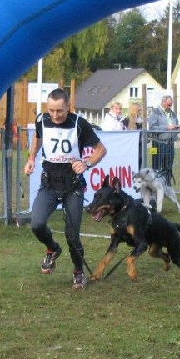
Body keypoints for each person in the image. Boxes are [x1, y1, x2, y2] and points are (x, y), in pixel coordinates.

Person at [24, 88, 107, 289]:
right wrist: (32, 158)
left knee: (72, 234)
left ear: (68, 107)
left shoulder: (79, 123)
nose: (54, 115)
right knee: (37, 223)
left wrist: (86, 163)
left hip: (73, 186)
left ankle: (78, 272)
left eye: (59, 111)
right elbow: (38, 136)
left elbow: (101, 150)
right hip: (49, 183)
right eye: (51, 110)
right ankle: (52, 248)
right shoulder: (41, 120)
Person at [148, 95, 180, 181]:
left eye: (171, 105)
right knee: (157, 166)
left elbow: (175, 123)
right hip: (158, 143)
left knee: (168, 166)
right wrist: (167, 127)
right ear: (163, 103)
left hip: (170, 143)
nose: (170, 106)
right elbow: (152, 128)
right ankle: (155, 187)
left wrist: (178, 128)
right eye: (168, 104)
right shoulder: (155, 112)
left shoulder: (172, 113)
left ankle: (167, 186)